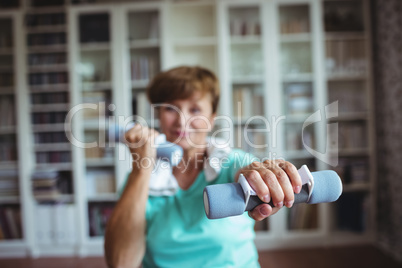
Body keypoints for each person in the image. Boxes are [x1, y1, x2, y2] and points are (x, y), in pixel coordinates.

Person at [104, 66, 302, 268]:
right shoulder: (139, 179)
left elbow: (246, 173)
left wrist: (261, 179)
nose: (182, 121)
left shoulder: (232, 163)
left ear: (211, 118)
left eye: (195, 110)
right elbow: (121, 264)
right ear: (159, 115)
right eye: (170, 108)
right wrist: (142, 168)